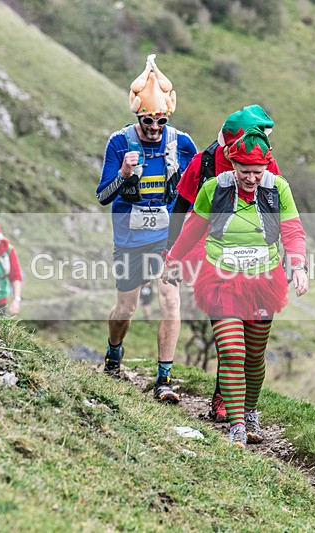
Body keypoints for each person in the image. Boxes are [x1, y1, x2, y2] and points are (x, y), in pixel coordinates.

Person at [163, 127, 308, 447]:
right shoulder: (214, 189)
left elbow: (293, 231)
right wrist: (173, 258)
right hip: (221, 279)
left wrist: (298, 266)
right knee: (231, 350)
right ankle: (237, 424)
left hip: (263, 281)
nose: (252, 178)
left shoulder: (278, 189)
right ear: (232, 164)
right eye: (245, 171)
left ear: (266, 166)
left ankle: (251, 411)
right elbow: (192, 229)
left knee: (254, 356)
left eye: (258, 171)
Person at [167, 104, 281, 422]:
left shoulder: (263, 163)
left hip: (253, 253)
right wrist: (170, 252)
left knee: (246, 337)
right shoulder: (204, 161)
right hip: (209, 248)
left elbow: (277, 207)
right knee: (229, 326)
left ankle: (226, 394)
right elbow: (181, 206)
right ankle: (224, 396)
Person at [95, 54, 197, 402]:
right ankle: (113, 351)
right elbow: (103, 197)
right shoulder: (118, 142)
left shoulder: (181, 143)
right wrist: (123, 175)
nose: (154, 129)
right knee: (126, 309)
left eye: (160, 121)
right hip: (129, 238)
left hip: (168, 239)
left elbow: (197, 193)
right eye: (147, 122)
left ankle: (164, 379)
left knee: (171, 302)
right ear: (136, 115)